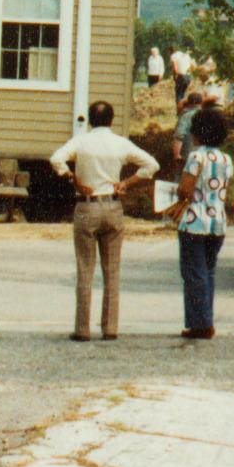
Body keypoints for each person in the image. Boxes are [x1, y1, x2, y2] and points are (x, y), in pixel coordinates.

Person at [50, 100, 160, 341]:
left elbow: (56, 158)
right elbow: (152, 165)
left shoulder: (81, 142)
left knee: (85, 269)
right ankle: (110, 327)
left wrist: (72, 177)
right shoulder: (121, 143)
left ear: (90, 120)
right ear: (111, 120)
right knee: (112, 271)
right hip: (112, 205)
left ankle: (82, 329)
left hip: (86, 205)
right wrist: (127, 183)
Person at [164, 105, 234, 340]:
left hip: (194, 222)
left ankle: (200, 324)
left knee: (193, 274)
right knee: (208, 273)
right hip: (218, 222)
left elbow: (185, 190)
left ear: (198, 132)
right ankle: (206, 319)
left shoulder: (196, 157)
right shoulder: (226, 159)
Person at [171, 91, 205, 175]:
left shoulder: (185, 116)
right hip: (204, 155)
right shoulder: (208, 115)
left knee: (181, 176)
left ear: (189, 102)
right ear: (201, 102)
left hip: (187, 154)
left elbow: (179, 136)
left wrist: (177, 155)